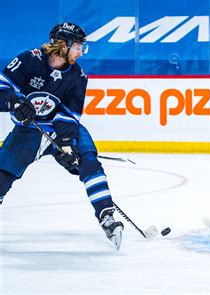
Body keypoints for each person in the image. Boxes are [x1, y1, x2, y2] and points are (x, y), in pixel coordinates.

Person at [0, 22, 124, 250]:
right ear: (63, 45)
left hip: (59, 128)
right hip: (29, 131)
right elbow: (2, 87)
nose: (80, 52)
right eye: (77, 47)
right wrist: (13, 101)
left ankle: (106, 215)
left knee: (87, 160)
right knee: (3, 173)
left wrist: (66, 144)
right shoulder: (29, 60)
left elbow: (69, 114)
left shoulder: (78, 75)